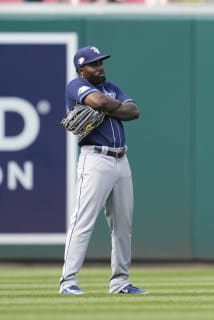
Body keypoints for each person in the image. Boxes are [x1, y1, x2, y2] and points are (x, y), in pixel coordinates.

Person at [59, 46, 147, 295]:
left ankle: (120, 282)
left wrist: (107, 106)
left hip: (121, 159)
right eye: (94, 64)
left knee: (123, 225)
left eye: (101, 62)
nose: (100, 67)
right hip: (95, 159)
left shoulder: (112, 87)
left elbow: (134, 111)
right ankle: (68, 282)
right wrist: (108, 106)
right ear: (81, 69)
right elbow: (97, 101)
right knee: (82, 221)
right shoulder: (74, 85)